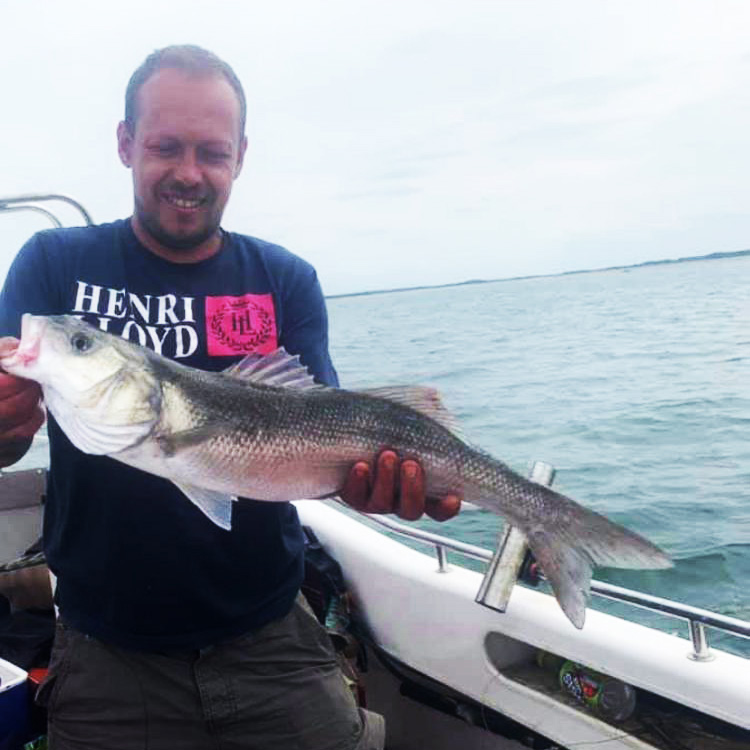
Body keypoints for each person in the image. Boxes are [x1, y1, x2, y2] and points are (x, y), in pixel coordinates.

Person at [0, 45, 460, 749]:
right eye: (164, 147)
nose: (188, 173)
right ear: (126, 144)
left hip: (269, 634)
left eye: (211, 153)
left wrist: (366, 485)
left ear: (240, 155)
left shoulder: (285, 278)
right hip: (105, 649)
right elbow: (6, 439)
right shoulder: (56, 264)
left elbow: (325, 439)